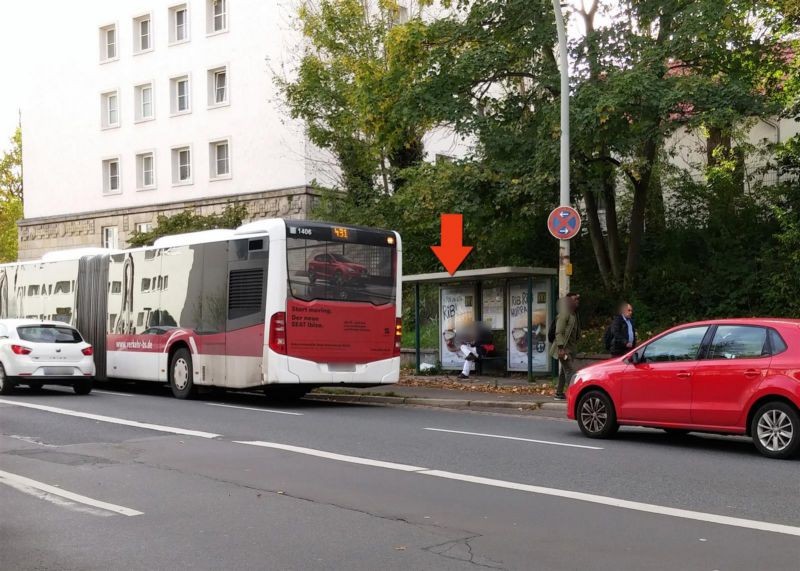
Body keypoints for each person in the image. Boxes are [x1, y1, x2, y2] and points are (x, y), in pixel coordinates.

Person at [550, 293, 580, 400]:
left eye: (577, 299)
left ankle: (559, 393)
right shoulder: (564, 314)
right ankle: (575, 395)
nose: (577, 301)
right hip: (563, 349)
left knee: (563, 371)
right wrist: (561, 348)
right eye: (575, 299)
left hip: (570, 348)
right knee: (569, 371)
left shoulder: (574, 314)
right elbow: (559, 332)